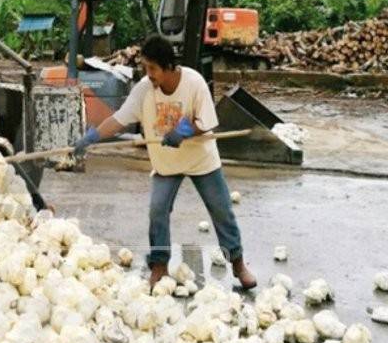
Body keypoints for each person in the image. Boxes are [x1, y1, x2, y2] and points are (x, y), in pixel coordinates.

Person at [73, 34, 257, 290]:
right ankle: (159, 266)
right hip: (166, 163)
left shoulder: (194, 82)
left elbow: (207, 122)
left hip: (201, 160)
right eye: (145, 68)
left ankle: (238, 264)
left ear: (168, 66)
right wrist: (92, 135)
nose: (148, 74)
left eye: (152, 69)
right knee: (157, 210)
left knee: (221, 209)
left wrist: (184, 130)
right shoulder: (144, 90)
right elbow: (120, 119)